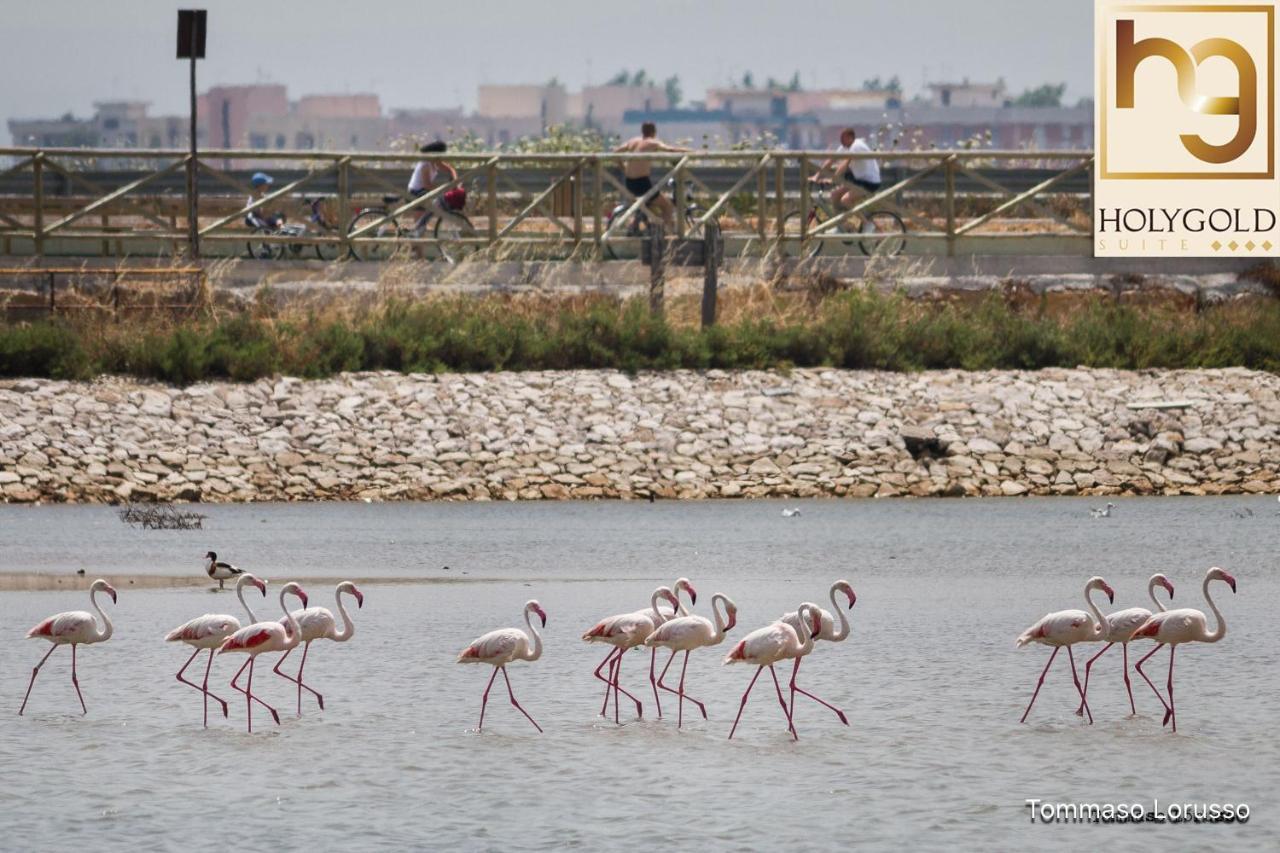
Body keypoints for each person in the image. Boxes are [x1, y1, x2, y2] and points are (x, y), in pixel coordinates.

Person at [613, 122, 690, 228]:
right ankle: (665, 234)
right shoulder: (652, 142)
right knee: (667, 206)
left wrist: (623, 167)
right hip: (642, 183)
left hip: (629, 182)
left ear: (642, 131)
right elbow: (671, 150)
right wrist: (690, 151)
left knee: (645, 205)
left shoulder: (633, 141)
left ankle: (635, 226)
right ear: (654, 132)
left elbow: (616, 152)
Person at [812, 128, 882, 211]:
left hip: (869, 183)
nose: (841, 141)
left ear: (850, 137)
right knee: (834, 195)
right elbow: (832, 159)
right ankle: (841, 222)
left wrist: (833, 179)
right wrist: (816, 176)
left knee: (845, 200)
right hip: (859, 181)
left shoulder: (856, 146)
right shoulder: (845, 146)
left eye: (843, 138)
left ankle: (866, 223)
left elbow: (845, 164)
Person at [407, 140, 462, 233]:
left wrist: (455, 181)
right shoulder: (425, 164)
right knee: (418, 228)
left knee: (422, 224)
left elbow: (450, 169)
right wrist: (443, 189)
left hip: (424, 192)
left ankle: (418, 238)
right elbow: (427, 185)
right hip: (416, 193)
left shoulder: (435, 162)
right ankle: (415, 242)